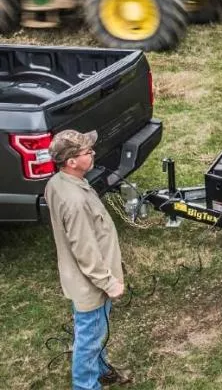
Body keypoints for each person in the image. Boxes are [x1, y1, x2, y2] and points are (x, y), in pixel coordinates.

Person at [45, 129, 131, 389]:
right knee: (89, 339)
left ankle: (101, 370)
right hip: (91, 285)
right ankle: (85, 385)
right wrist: (109, 283)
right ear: (71, 161)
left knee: (95, 332)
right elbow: (85, 250)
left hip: (81, 279)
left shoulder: (59, 183)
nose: (93, 153)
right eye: (87, 151)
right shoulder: (74, 201)